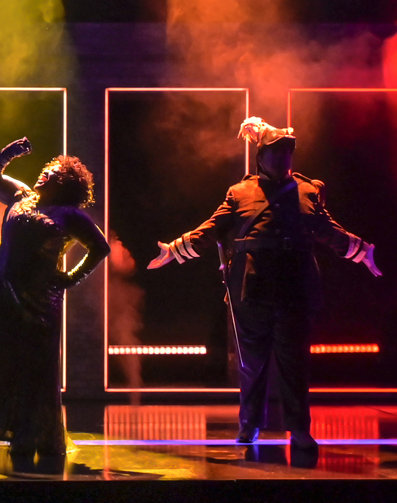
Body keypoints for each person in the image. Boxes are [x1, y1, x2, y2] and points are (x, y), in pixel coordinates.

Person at [149, 117, 380, 452]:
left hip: (295, 287)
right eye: (276, 151)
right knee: (252, 363)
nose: (283, 157)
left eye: (288, 151)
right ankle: (250, 425)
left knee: (294, 363)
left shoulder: (308, 190)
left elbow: (328, 230)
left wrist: (362, 251)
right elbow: (212, 228)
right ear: (261, 157)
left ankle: (299, 429)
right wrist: (175, 249)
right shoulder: (240, 192)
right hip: (252, 289)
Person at [0, 137, 110, 469]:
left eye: (54, 174)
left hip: (40, 301)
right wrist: (9, 152)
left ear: (65, 184)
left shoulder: (69, 215)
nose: (46, 175)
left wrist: (71, 277)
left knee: (34, 369)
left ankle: (30, 436)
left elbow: (100, 247)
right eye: (46, 170)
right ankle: (12, 430)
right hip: (3, 294)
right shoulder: (21, 196)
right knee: (2, 361)